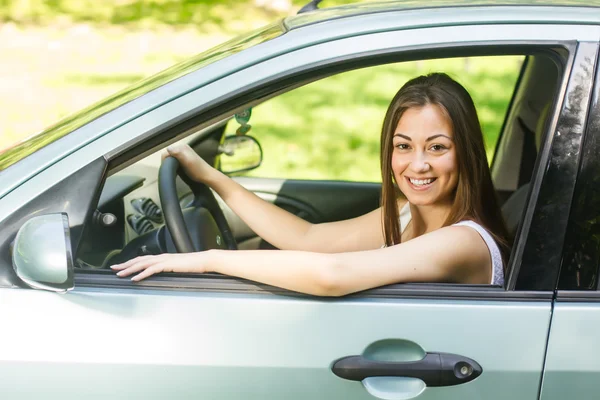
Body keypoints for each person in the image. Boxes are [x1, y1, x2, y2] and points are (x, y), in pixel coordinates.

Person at [111, 72, 510, 296]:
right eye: (403, 146)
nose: (417, 164)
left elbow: (331, 273)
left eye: (437, 147)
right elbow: (308, 237)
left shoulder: (463, 241)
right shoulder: (410, 211)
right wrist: (214, 178)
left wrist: (202, 261)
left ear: (467, 152)